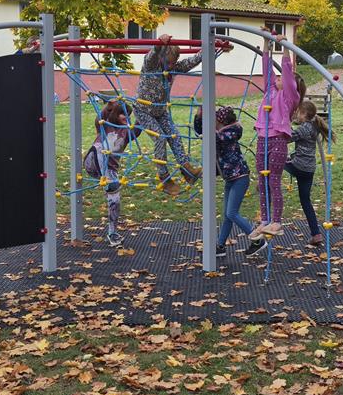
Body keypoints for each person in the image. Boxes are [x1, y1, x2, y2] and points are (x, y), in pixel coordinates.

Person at [134, 35, 208, 196]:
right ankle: (164, 178)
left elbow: (191, 62)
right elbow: (151, 56)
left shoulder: (173, 69)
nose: (171, 65)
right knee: (160, 138)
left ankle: (187, 170)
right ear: (161, 57)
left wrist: (209, 49)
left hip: (160, 111)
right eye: (168, 62)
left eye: (174, 62)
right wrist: (159, 45)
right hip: (143, 110)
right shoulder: (151, 66)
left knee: (174, 135)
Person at [249, 42, 304, 242]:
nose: (278, 77)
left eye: (282, 78)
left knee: (273, 180)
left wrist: (284, 46)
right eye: (277, 77)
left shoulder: (290, 97)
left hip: (278, 140)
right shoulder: (269, 91)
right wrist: (266, 44)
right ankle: (264, 220)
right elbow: (267, 69)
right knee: (262, 181)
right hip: (262, 139)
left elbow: (287, 72)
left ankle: (277, 222)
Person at [195, 106, 261, 256]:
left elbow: (215, 137)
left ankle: (257, 239)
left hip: (240, 178)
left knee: (232, 213)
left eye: (214, 120)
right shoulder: (220, 132)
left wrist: (206, 125)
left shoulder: (230, 133)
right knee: (227, 215)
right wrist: (199, 117)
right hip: (231, 178)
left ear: (221, 122)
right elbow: (200, 132)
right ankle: (220, 246)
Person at [83, 98, 142, 247]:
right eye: (123, 114)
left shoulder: (126, 133)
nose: (126, 118)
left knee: (115, 201)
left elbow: (139, 126)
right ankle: (106, 179)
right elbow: (101, 116)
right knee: (100, 149)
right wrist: (109, 107)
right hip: (93, 162)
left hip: (110, 171)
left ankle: (112, 233)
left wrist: (143, 111)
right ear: (116, 114)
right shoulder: (105, 125)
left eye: (128, 115)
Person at [284, 99, 329, 248]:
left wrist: (285, 123)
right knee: (305, 201)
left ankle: (265, 183)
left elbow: (287, 138)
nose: (297, 115)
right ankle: (316, 234)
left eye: (298, 112)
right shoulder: (313, 126)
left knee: (276, 161)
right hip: (309, 169)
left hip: (299, 166)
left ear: (304, 114)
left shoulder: (304, 128)